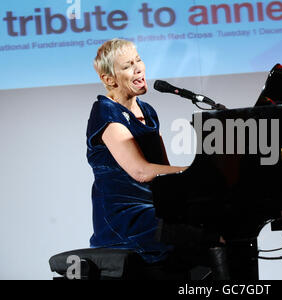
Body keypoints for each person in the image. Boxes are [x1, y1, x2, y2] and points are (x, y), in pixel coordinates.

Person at [86, 38, 227, 279]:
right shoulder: (105, 112)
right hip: (126, 217)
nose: (138, 67)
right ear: (110, 79)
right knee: (202, 237)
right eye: (128, 65)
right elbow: (141, 172)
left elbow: (164, 170)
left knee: (218, 223)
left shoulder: (148, 111)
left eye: (138, 60)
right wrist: (199, 171)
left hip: (155, 208)